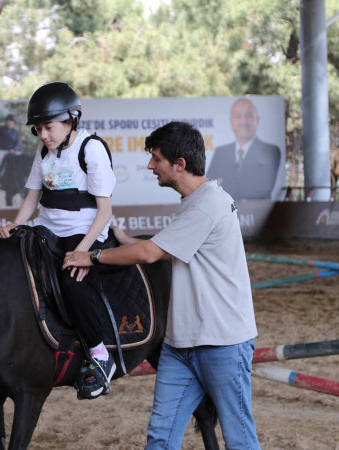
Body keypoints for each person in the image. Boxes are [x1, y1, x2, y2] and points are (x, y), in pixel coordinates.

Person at [63, 121, 260, 449]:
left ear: (179, 164)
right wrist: (126, 239)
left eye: (156, 158)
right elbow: (175, 247)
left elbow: (151, 253)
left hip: (222, 344)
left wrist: (93, 257)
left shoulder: (209, 203)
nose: (150, 165)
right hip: (181, 346)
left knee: (240, 440)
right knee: (160, 438)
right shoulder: (196, 202)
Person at [0, 81, 117, 400]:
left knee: (72, 281)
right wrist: (15, 225)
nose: (43, 135)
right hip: (47, 227)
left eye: (48, 127)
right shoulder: (43, 151)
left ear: (70, 120)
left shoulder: (91, 149)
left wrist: (82, 251)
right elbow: (31, 199)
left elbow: (105, 212)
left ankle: (101, 356)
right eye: (38, 129)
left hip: (85, 230)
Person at [207, 97, 282, 200]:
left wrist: (223, 182)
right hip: (225, 213)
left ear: (257, 120)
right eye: (238, 116)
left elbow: (262, 188)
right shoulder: (221, 153)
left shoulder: (270, 151)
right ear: (231, 121)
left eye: (249, 115)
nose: (243, 121)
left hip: (257, 213)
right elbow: (208, 188)